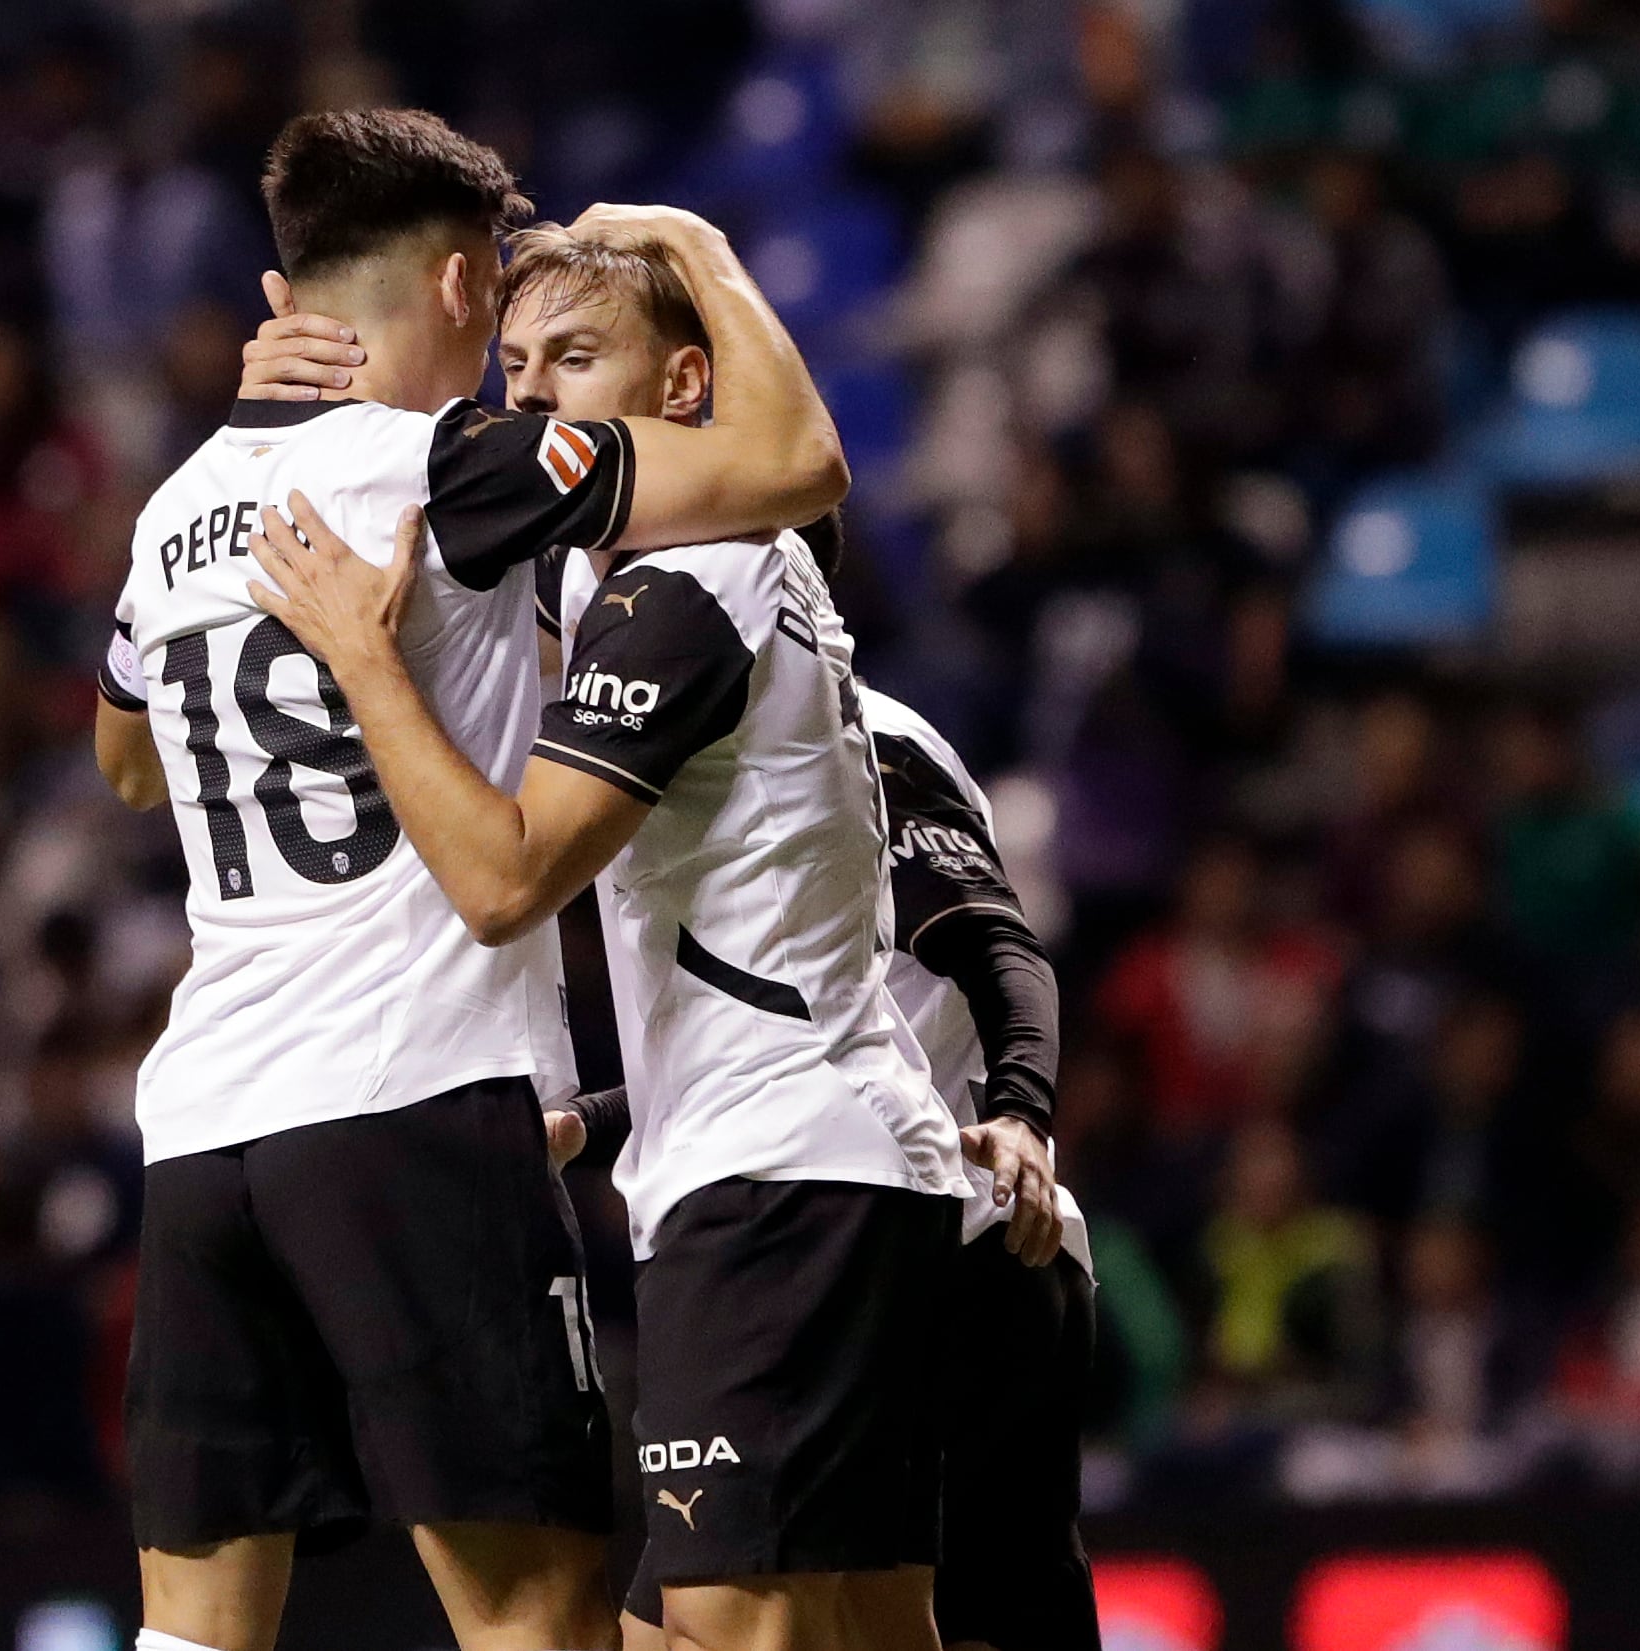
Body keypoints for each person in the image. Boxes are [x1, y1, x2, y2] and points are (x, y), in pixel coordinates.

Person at [250, 229, 1097, 1651]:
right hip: (822, 1166)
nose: (533, 405)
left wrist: (356, 654)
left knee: (722, 1634)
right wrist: (313, 402)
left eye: (574, 364)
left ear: (691, 395)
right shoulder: (631, 599)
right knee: (858, 1628)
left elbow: (504, 878)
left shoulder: (693, 587)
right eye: (518, 372)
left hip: (791, 1183)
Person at [91, 109, 849, 1651]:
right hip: (413, 1095)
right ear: (454, 285)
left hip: (204, 1126)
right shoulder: (446, 467)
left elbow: (127, 761)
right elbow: (793, 466)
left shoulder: (167, 511)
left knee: (192, 1626)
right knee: (535, 1615)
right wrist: (697, 244)